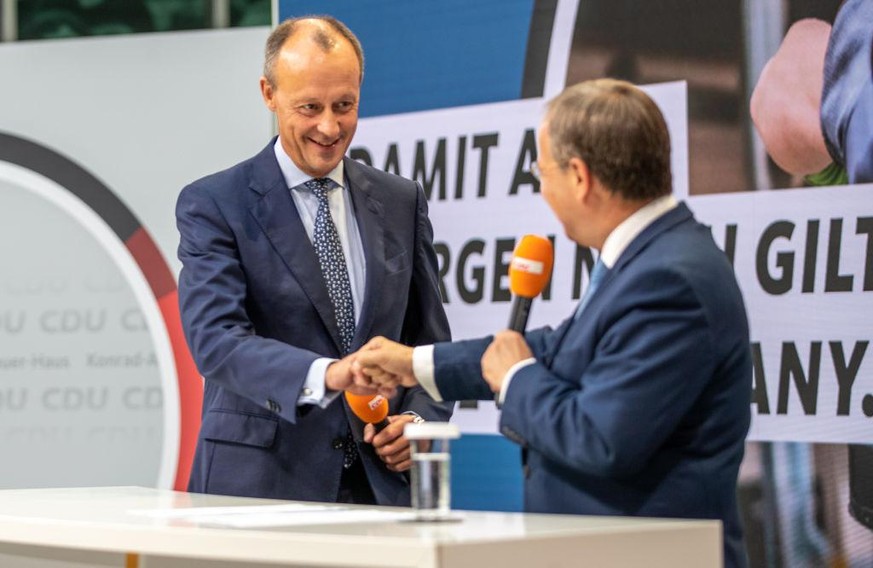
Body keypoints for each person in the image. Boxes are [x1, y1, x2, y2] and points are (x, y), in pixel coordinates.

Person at [353, 79, 752, 567]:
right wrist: (416, 363)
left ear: (580, 177)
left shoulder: (669, 279)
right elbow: (558, 348)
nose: (542, 189)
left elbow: (601, 439)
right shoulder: (650, 261)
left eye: (542, 171)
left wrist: (518, 379)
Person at [175, 15, 452, 506]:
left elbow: (428, 341)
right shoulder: (215, 204)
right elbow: (217, 342)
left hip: (381, 494)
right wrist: (329, 375)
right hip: (258, 490)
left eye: (344, 105)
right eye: (310, 107)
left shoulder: (400, 200)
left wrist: (418, 422)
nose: (330, 126)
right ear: (269, 93)